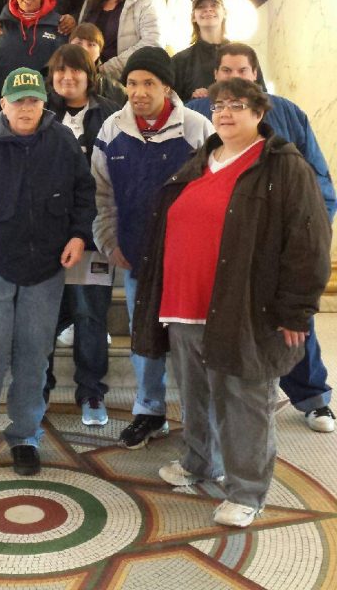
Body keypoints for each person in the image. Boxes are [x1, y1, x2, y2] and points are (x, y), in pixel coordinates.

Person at [133, 78, 332, 528]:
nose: (224, 112)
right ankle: (199, 463)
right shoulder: (201, 159)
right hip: (184, 305)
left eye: (237, 105)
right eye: (219, 105)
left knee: (243, 400)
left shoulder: (282, 166)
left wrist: (296, 308)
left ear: (260, 113)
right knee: (196, 394)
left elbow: (309, 241)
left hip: (245, 308)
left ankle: (247, 491)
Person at [0, 67, 96, 477]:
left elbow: (84, 192)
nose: (26, 108)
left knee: (33, 357)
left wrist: (79, 235)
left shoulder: (61, 141)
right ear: (3, 103)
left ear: (44, 103)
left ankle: (25, 436)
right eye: (18, 100)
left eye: (33, 100)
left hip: (45, 268)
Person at [186, 42, 337, 432]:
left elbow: (318, 177)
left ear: (255, 75)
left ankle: (313, 397)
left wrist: (310, 227)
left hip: (274, 244)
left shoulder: (286, 112)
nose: (234, 80)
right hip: (219, 248)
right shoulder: (200, 113)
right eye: (225, 72)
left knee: (291, 323)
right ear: (215, 77)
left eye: (242, 71)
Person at [91, 48, 213, 448]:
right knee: (144, 341)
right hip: (136, 258)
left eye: (148, 83)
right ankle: (149, 411)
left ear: (166, 86)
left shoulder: (197, 128)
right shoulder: (111, 130)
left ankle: (199, 420)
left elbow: (214, 195)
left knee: (189, 347)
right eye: (132, 83)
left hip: (186, 263)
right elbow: (101, 196)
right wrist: (111, 244)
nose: (139, 92)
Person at [44, 44, 118, 425]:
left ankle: (91, 392)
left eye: (75, 71)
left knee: (90, 314)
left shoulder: (109, 113)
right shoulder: (40, 113)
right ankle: (38, 390)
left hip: (93, 233)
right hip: (47, 236)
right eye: (60, 71)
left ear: (90, 75)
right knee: (42, 316)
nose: (67, 78)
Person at [172, 0, 265, 102]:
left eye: (214, 5)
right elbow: (172, 106)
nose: (208, 10)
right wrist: (193, 100)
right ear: (193, 17)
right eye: (201, 7)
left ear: (224, 12)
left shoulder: (245, 54)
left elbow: (262, 98)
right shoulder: (180, 61)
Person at [69, 22, 126, 106]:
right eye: (79, 43)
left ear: (100, 51)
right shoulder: (54, 81)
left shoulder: (117, 90)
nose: (84, 49)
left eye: (91, 44)